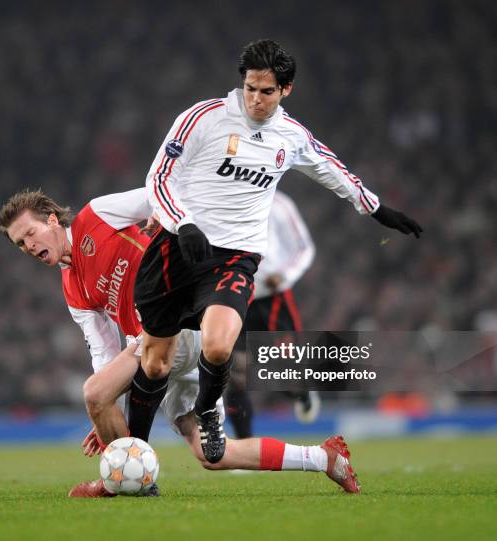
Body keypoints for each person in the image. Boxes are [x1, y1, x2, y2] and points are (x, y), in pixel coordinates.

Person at [130, 39, 422, 464]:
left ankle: (209, 410)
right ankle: (134, 453)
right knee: (155, 363)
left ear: (286, 90)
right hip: (178, 246)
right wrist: (183, 221)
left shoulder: (291, 135)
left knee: (217, 345)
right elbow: (159, 177)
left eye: (266, 91)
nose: (255, 98)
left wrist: (376, 208)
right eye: (250, 87)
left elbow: (332, 169)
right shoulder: (202, 118)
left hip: (237, 256)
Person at [0, 188, 361, 497]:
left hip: (178, 326)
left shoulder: (99, 215)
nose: (28, 246)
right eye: (19, 244)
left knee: (94, 392)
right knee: (213, 455)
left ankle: (123, 483)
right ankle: (324, 458)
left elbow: (158, 193)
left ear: (51, 220)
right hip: (153, 350)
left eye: (30, 233)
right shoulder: (72, 287)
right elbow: (103, 351)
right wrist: (106, 412)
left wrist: (162, 216)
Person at [226, 190, 319, 439]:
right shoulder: (221, 198)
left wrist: (285, 275)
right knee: (234, 373)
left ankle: (301, 392)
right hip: (233, 297)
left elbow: (304, 248)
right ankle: (243, 445)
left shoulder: (279, 204)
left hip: (272, 299)